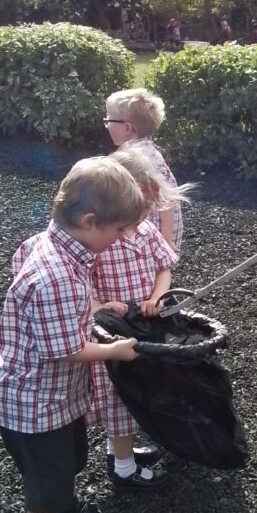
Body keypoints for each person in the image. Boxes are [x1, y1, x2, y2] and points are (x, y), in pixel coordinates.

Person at [0, 157, 145, 513]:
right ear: (90, 221)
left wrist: (95, 307)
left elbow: (58, 313)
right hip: (33, 405)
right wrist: (114, 351)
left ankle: (67, 510)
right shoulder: (57, 276)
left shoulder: (47, 245)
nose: (120, 240)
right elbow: (65, 350)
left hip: (56, 399)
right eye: (116, 231)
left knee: (69, 461)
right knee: (45, 484)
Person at [90, 147, 193, 490]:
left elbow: (165, 267)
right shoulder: (103, 239)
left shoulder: (146, 232)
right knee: (119, 396)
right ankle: (123, 469)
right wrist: (98, 305)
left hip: (143, 323)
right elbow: (83, 281)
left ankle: (121, 452)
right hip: (111, 333)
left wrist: (156, 297)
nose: (146, 213)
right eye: (141, 206)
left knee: (136, 392)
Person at [103, 88, 184, 253]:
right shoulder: (148, 151)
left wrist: (165, 242)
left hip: (152, 240)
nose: (106, 125)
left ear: (127, 128)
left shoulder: (136, 160)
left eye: (108, 119)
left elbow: (165, 200)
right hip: (154, 236)